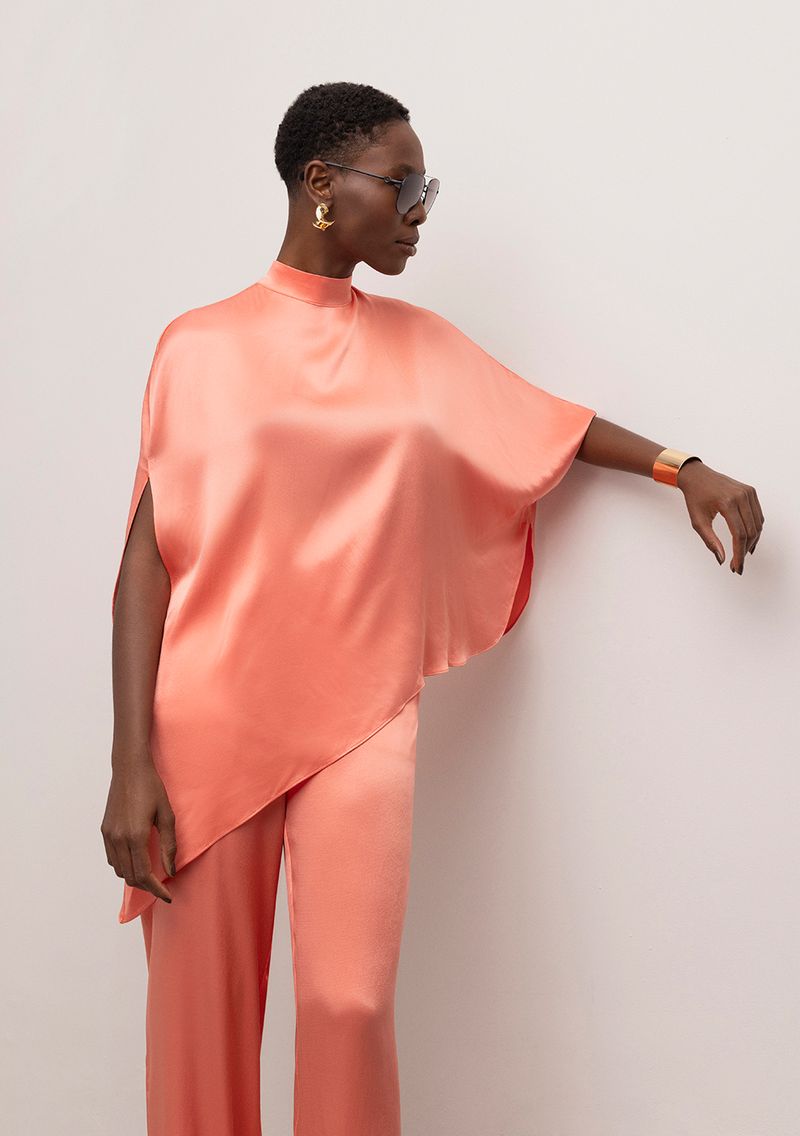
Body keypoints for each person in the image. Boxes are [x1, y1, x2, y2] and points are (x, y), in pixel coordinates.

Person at [100, 80, 765, 1136]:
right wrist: (131, 762)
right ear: (322, 184)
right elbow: (145, 562)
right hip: (208, 724)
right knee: (199, 1023)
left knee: (350, 1004)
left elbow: (546, 423)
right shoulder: (196, 346)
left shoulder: (419, 345)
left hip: (363, 715)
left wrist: (680, 466)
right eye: (403, 184)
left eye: (427, 189)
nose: (419, 210)